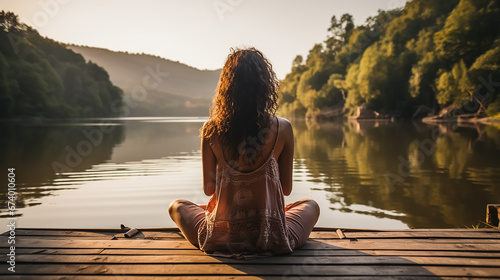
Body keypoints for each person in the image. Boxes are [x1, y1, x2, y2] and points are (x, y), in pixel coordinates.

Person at [168, 47, 320, 257]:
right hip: (272, 237)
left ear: (227, 88)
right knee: (310, 205)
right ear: (266, 88)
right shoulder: (283, 128)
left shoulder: (211, 130)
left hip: (220, 237)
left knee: (177, 206)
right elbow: (285, 189)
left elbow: (209, 189)